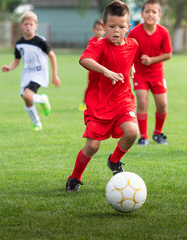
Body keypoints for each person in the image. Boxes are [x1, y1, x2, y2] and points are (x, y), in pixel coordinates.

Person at [66, 0, 139, 192]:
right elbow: (84, 59)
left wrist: (131, 67)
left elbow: (130, 57)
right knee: (92, 147)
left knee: (132, 132)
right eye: (112, 26)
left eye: (121, 27)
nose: (116, 31)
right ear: (103, 27)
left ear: (128, 27)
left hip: (123, 100)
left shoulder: (133, 45)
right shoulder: (99, 45)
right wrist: (105, 71)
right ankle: (74, 178)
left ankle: (114, 161)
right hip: (98, 104)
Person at [1, 11, 61, 131]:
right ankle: (37, 123)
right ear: (21, 26)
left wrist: (55, 75)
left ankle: (43, 99)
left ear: (36, 26)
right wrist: (9, 67)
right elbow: (17, 61)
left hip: (39, 74)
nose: (28, 26)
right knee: (26, 99)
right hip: (27, 74)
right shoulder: (19, 44)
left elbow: (52, 56)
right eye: (26, 24)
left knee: (28, 96)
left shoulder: (40, 41)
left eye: (31, 24)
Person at [128, 0, 172, 145]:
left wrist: (152, 60)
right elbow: (128, 52)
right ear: (142, 14)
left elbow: (168, 54)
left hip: (158, 74)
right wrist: (130, 66)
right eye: (147, 11)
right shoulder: (134, 32)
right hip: (140, 74)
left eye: (154, 12)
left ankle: (158, 134)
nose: (150, 14)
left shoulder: (163, 32)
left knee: (162, 105)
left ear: (159, 15)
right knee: (141, 103)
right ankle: (144, 136)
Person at [78, 19, 105, 111]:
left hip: (103, 69)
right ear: (93, 30)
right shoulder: (92, 41)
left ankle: (99, 103)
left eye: (101, 29)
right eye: (98, 29)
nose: (99, 32)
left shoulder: (106, 41)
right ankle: (84, 102)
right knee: (91, 86)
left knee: (102, 86)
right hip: (93, 69)